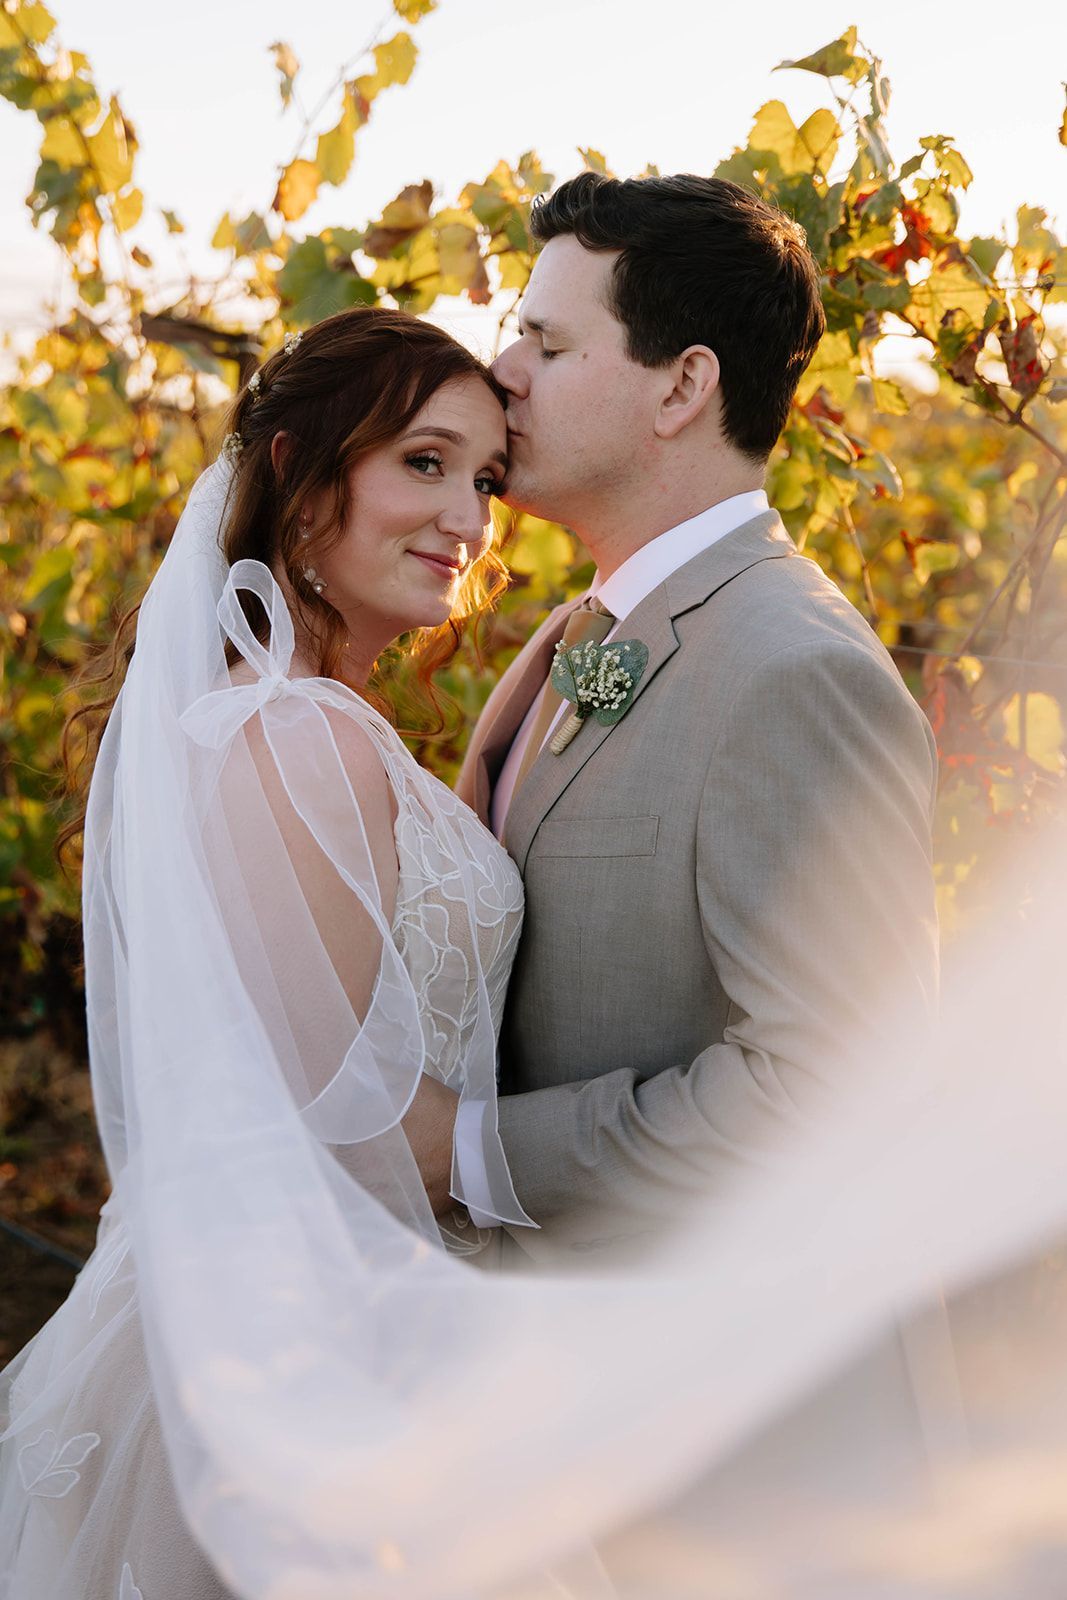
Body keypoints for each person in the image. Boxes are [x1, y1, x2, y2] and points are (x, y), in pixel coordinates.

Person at [0, 306, 537, 1599]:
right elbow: (338, 1122)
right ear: (298, 474)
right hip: (315, 1350)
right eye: (422, 461)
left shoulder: (279, 721)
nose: (465, 516)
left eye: (485, 479)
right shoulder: (295, 735)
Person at [439, 171, 941, 1265]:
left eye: (547, 345)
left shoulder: (793, 672)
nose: (502, 371)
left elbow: (835, 1088)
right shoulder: (586, 628)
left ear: (680, 388)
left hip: (705, 1348)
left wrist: (469, 1153)